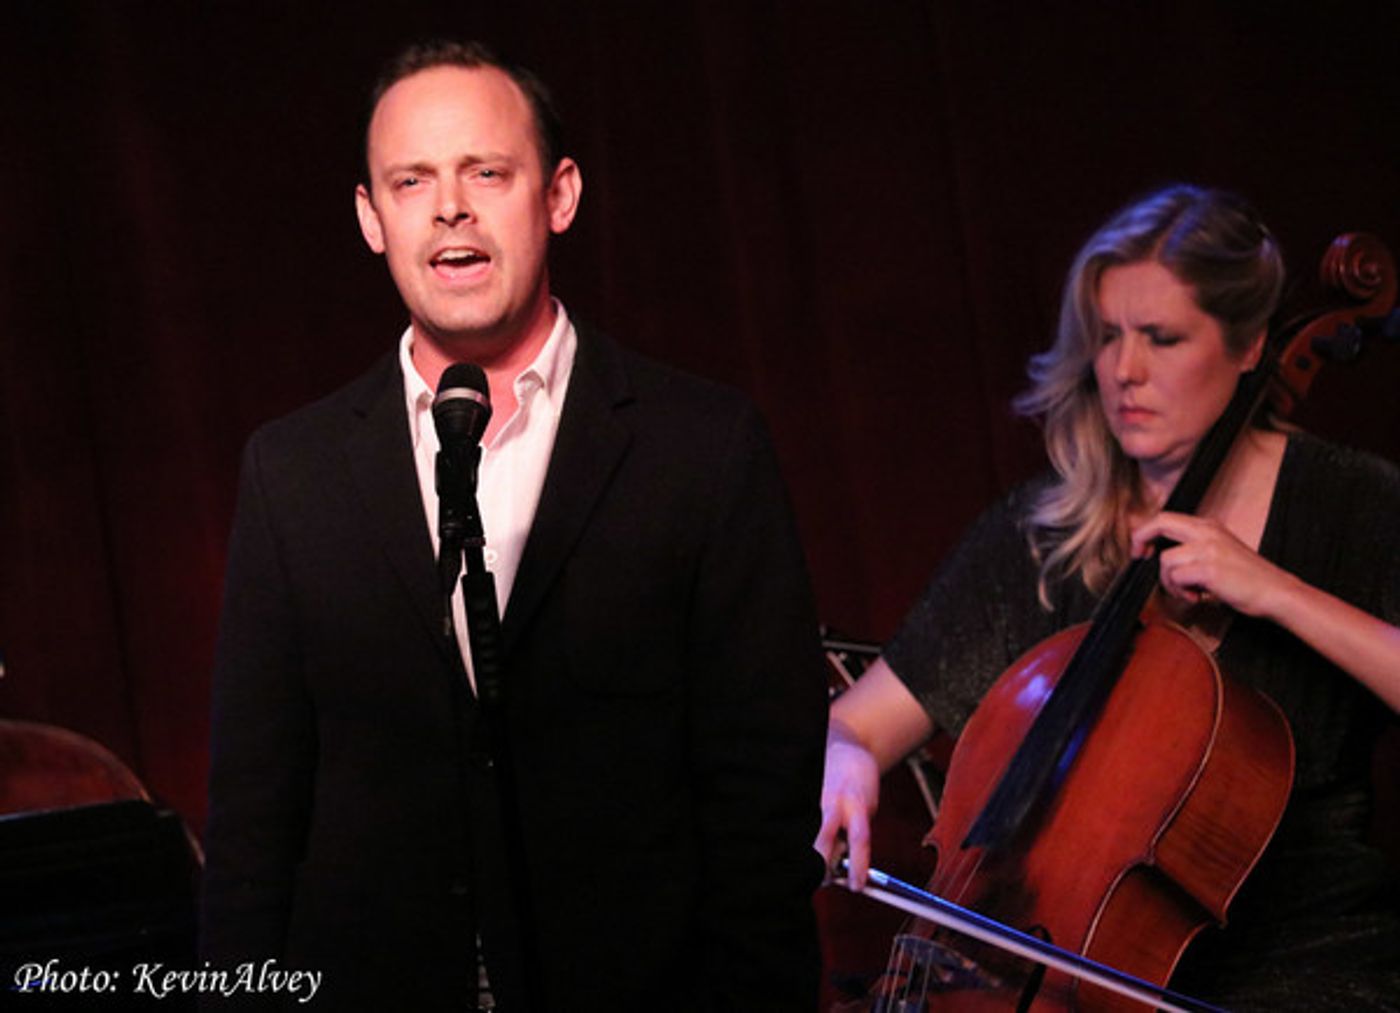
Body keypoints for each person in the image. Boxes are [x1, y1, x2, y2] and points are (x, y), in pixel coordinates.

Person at [200, 40, 827, 1011]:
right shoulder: (292, 472)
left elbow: (761, 801)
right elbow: (252, 822)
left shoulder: (699, 448)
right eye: (411, 181)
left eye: (484, 172)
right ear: (371, 218)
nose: (449, 205)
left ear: (559, 194)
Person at [816, 184, 1400, 1010]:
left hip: (1302, 976)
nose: (1124, 371)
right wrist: (842, 761)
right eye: (1108, 337)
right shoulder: (1044, 536)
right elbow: (856, 723)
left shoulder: (1355, 508)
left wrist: (1276, 590)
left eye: (1162, 339)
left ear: (1249, 346)